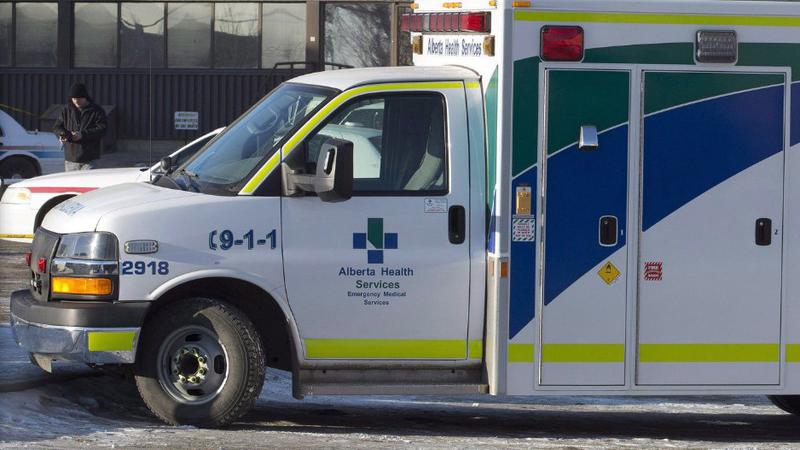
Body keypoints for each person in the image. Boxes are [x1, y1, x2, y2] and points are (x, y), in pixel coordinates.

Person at [54, 82, 108, 171]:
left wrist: (83, 135)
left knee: (88, 180)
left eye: (79, 98)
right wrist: (62, 134)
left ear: (85, 97)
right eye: (74, 98)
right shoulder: (66, 110)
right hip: (71, 159)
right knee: (71, 180)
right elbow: (57, 127)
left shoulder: (97, 110)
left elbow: (102, 129)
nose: (76, 101)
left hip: (90, 158)